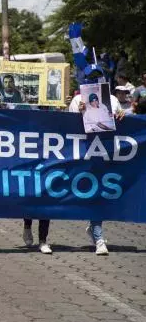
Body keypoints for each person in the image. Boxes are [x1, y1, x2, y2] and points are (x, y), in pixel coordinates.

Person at [68, 64, 125, 255]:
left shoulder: (113, 100)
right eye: (91, 76)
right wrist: (79, 113)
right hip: (86, 153)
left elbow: (122, 123)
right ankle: (95, 230)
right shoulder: (77, 100)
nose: (95, 80)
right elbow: (65, 128)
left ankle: (98, 235)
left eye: (98, 76)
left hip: (107, 153)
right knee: (90, 193)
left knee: (100, 193)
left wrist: (123, 114)